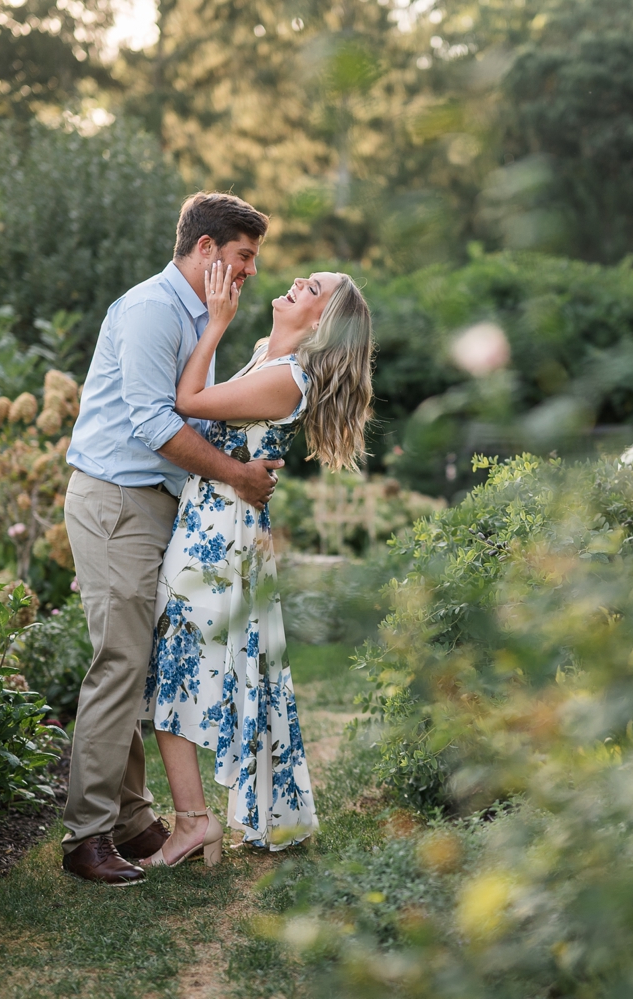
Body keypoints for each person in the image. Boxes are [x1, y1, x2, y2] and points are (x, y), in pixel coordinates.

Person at [60, 193, 283, 886]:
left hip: (155, 507)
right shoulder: (154, 309)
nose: (249, 271)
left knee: (138, 666)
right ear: (208, 249)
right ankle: (86, 836)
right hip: (116, 503)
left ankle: (130, 818)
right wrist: (240, 477)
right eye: (243, 256)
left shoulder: (201, 317)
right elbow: (157, 426)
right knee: (118, 664)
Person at [137, 260, 373, 867]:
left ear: (323, 322)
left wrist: (215, 322)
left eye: (312, 289)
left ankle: (194, 824)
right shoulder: (270, 355)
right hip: (214, 522)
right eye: (305, 279)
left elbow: (186, 402)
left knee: (176, 666)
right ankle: (202, 820)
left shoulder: (288, 378)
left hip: (222, 534)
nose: (298, 284)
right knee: (184, 666)